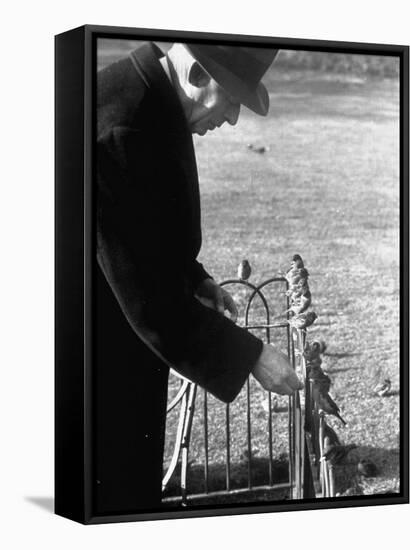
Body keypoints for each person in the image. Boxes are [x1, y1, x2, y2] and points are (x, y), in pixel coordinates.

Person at [95, 41, 302, 515]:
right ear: (196, 76)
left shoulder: (157, 102)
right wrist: (252, 355)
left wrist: (193, 276)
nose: (231, 120)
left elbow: (143, 229)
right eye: (231, 100)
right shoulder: (121, 125)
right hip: (94, 365)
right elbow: (147, 300)